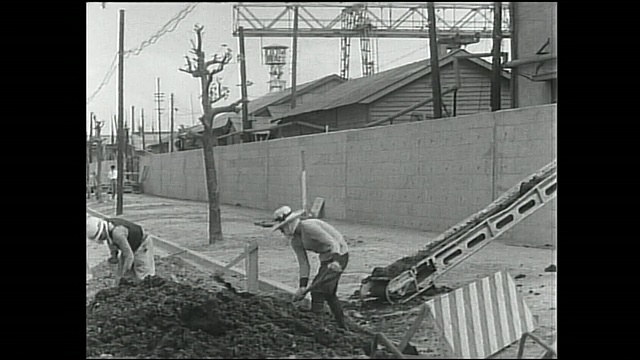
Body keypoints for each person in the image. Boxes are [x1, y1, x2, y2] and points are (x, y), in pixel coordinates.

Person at [271, 205, 349, 329]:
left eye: (282, 228)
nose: (282, 232)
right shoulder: (295, 241)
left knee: (318, 291)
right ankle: (343, 326)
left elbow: (333, 242)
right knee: (329, 294)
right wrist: (302, 286)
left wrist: (336, 261)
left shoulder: (308, 226)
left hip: (339, 255)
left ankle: (318, 326)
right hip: (326, 260)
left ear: (289, 224)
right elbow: (303, 263)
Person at [86, 216, 155, 285]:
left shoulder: (117, 233)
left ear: (102, 230)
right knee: (122, 272)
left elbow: (129, 256)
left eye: (100, 237)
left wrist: (124, 274)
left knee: (142, 272)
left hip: (142, 243)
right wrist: (114, 256)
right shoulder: (109, 226)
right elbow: (111, 242)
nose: (101, 240)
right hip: (129, 244)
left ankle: (148, 289)